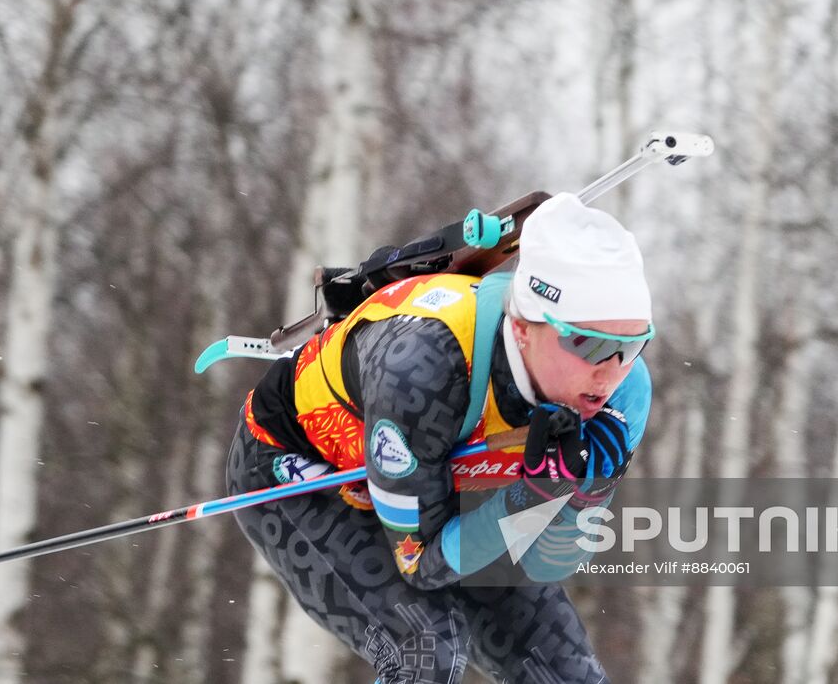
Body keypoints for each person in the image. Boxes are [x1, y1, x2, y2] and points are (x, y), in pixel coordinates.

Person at [227, 192, 654, 683]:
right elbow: (420, 563)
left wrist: (579, 493)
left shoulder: (627, 395)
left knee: (566, 674)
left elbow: (544, 563)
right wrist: (525, 501)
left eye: (631, 345)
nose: (610, 372)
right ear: (523, 327)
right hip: (301, 466)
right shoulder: (424, 369)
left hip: (441, 485)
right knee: (427, 649)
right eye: (588, 342)